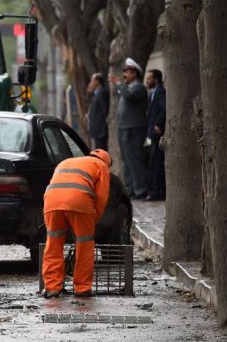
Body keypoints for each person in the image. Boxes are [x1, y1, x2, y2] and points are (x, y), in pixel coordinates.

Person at [42, 149, 111, 298]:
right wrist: (93, 219)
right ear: (107, 161)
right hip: (80, 202)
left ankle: (52, 287)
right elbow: (101, 197)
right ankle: (82, 288)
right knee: (84, 244)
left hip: (52, 202)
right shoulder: (101, 165)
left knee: (53, 243)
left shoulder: (66, 162)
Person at [109, 58, 148, 199]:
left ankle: (141, 190)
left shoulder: (138, 88)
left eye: (128, 72)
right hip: (124, 128)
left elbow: (129, 96)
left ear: (135, 74)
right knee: (126, 161)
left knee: (135, 160)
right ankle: (131, 189)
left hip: (134, 129)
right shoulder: (127, 88)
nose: (124, 74)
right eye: (124, 71)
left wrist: (119, 84)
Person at [145, 69, 166, 201]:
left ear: (156, 79)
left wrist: (158, 124)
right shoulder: (152, 93)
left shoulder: (161, 92)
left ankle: (157, 192)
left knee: (156, 163)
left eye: (149, 78)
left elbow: (164, 107)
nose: (147, 81)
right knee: (153, 162)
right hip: (152, 133)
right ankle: (155, 191)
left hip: (157, 132)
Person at [86, 73, 110, 150]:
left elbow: (104, 111)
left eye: (92, 81)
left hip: (101, 131)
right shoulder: (97, 93)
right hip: (97, 131)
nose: (90, 84)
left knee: (101, 152)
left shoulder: (102, 92)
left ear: (97, 81)